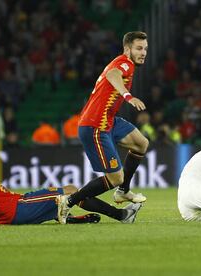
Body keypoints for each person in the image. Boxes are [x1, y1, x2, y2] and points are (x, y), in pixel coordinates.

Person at [0, 128, 143, 226]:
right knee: (70, 192)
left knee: (67, 191)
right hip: (15, 209)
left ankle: (67, 217)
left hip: (18, 203)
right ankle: (121, 216)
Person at [56, 31, 149, 224]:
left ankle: (123, 191)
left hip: (109, 120)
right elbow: (113, 75)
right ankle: (68, 202)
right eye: (139, 48)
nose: (143, 52)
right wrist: (127, 96)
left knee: (141, 143)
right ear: (127, 49)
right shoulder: (125, 63)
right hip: (96, 125)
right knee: (115, 177)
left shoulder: (123, 62)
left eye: (145, 49)